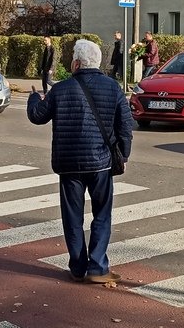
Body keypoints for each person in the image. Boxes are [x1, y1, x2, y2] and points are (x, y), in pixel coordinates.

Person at [27, 39, 134, 284]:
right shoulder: (113, 87)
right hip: (101, 163)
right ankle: (97, 266)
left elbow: (38, 116)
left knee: (73, 217)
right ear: (97, 62)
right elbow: (125, 126)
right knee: (102, 215)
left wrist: (34, 98)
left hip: (69, 165)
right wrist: (123, 155)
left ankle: (77, 267)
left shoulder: (61, 89)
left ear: (76, 62)